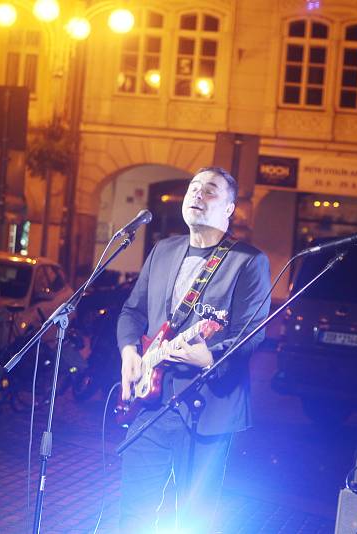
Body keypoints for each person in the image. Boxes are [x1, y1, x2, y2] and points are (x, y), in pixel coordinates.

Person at [116, 167, 271, 533]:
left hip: (206, 409)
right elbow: (132, 312)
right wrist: (128, 353)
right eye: (193, 187)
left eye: (210, 190)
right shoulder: (163, 250)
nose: (197, 194)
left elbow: (252, 334)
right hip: (149, 407)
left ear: (230, 208)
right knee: (132, 515)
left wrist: (211, 358)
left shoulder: (247, 261)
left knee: (193, 519)